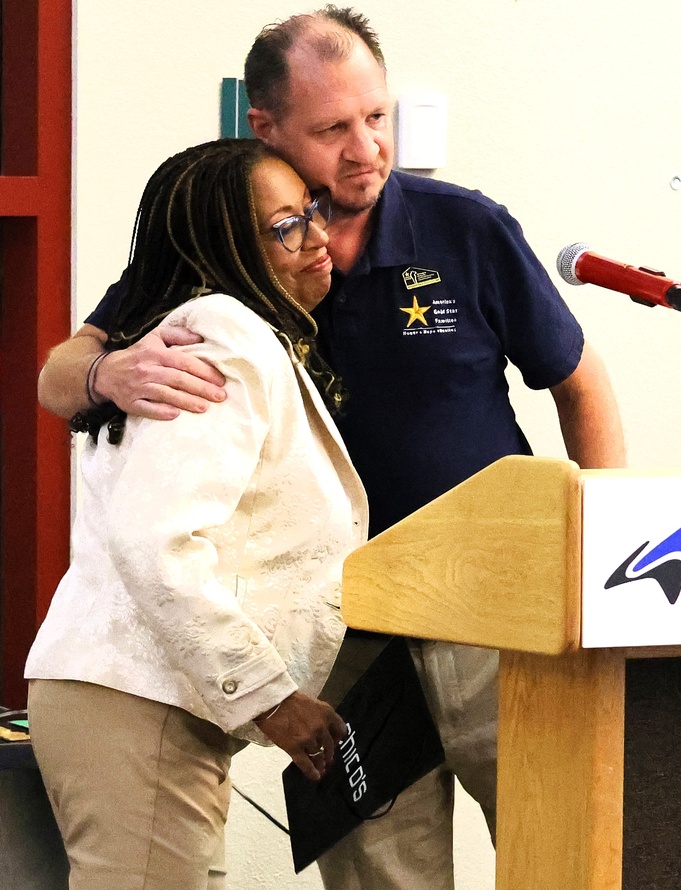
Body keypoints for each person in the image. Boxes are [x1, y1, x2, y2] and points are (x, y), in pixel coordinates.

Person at [37, 6, 626, 889]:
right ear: (262, 126)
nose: (365, 150)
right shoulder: (228, 250)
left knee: (566, 851)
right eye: (332, 129)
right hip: (338, 629)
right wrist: (106, 375)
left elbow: (579, 385)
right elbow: (60, 373)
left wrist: (598, 561)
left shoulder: (464, 226)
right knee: (383, 875)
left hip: (493, 607)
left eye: (376, 118)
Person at [25, 137, 368, 889]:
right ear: (224, 252)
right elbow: (159, 543)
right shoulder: (220, 335)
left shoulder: (218, 332)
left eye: (310, 213)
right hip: (136, 705)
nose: (318, 237)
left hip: (145, 705)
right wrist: (272, 699)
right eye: (286, 227)